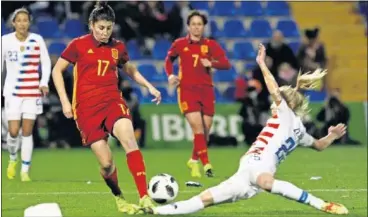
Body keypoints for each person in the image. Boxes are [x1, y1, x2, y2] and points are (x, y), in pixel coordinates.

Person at [144, 44, 349, 215]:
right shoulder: (300, 132)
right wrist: (331, 136)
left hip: (257, 167)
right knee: (205, 198)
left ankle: (321, 204)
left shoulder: (285, 113)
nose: (273, 103)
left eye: (276, 101)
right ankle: (157, 211)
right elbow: (319, 145)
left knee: (266, 183)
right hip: (245, 176)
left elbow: (273, 88)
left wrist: (261, 64)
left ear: (285, 104)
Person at [52, 2, 160, 214]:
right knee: (107, 164)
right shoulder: (78, 45)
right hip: (86, 109)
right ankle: (119, 199)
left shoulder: (117, 47)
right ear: (92, 24)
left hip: (112, 101)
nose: (104, 32)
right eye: (101, 28)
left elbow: (129, 68)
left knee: (129, 140)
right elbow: (57, 71)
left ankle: (145, 197)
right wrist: (65, 102)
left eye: (108, 28)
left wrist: (149, 86)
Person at [165, 11, 231, 178]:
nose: (196, 27)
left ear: (203, 27)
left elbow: (226, 64)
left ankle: (194, 160)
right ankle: (207, 164)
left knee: (206, 131)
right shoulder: (180, 44)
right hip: (187, 90)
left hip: (206, 90)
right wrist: (171, 75)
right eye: (193, 24)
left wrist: (212, 63)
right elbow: (168, 60)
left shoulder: (210, 45)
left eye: (199, 24)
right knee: (198, 128)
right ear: (188, 26)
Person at [2, 7, 51, 182]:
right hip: (12, 93)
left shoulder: (37, 40)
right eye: (19, 20)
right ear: (13, 23)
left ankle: (25, 170)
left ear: (29, 22)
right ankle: (13, 158)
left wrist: (43, 82)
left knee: (28, 131)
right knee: (14, 131)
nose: (22, 23)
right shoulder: (5, 41)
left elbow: (45, 63)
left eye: (25, 20)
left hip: (32, 93)